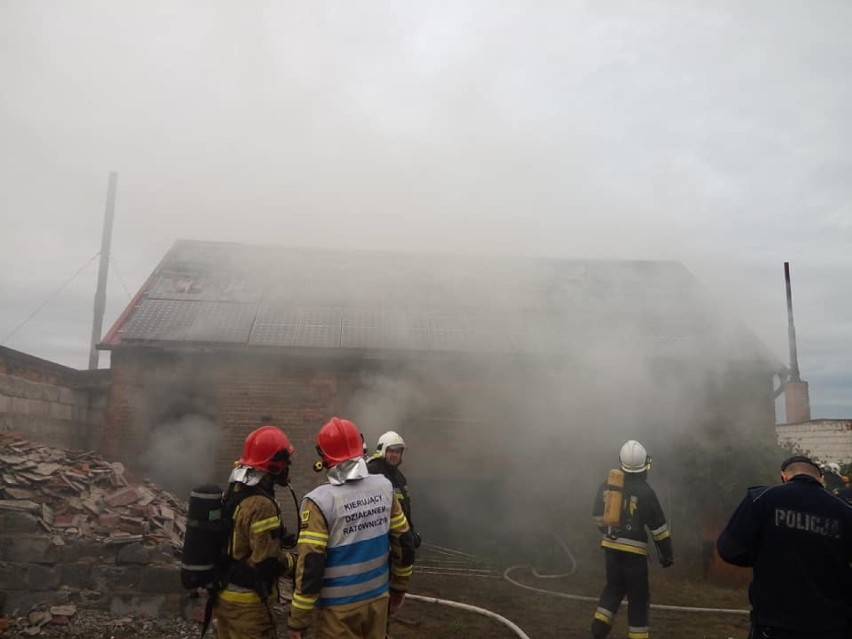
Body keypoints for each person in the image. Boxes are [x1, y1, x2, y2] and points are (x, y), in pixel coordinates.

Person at [287, 417, 416, 639]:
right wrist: (399, 587)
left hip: (338, 612)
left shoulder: (319, 502)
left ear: (323, 456)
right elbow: (404, 541)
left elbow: (311, 565)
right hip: (378, 600)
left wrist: (299, 619)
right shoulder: (384, 487)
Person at [717, 455, 852, 638]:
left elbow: (729, 549)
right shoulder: (845, 512)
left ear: (783, 476)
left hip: (773, 625)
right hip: (830, 627)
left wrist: (764, 556)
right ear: (821, 478)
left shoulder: (761, 499)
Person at [213, 424, 297, 639]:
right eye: (286, 460)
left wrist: (276, 536)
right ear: (276, 464)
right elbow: (267, 563)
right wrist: (292, 562)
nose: (289, 465)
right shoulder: (262, 504)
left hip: (224, 598)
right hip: (249, 606)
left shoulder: (236, 490)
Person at [590, 440, 673, 639]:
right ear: (644, 465)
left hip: (611, 549)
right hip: (634, 556)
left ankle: (596, 633)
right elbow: (658, 528)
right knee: (638, 599)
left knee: (613, 590)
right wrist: (667, 554)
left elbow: (597, 515)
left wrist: (608, 532)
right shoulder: (646, 492)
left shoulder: (608, 485)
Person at [367, 430, 421, 548]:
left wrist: (411, 533)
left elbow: (406, 509)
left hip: (397, 537)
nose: (395, 455)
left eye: (398, 452)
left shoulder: (399, 477)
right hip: (380, 539)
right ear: (382, 451)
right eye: (391, 451)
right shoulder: (371, 472)